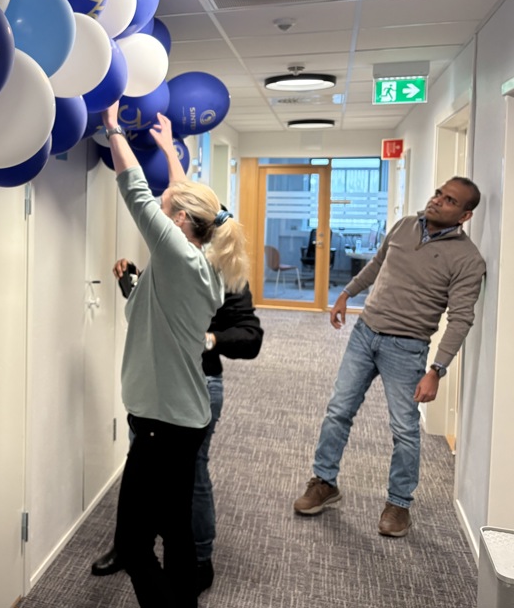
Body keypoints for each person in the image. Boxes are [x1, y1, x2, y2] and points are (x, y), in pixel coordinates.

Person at [99, 104, 250, 608]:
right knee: (176, 529)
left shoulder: (184, 257)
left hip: (164, 425)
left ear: (180, 222)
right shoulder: (205, 256)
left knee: (137, 547)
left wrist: (113, 127)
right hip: (178, 419)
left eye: (171, 209)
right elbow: (184, 206)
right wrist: (169, 149)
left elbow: (136, 191)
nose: (163, 210)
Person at [293, 178, 486, 537]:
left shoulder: (468, 259)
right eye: (438, 194)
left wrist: (437, 371)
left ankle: (399, 504)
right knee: (338, 410)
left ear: (465, 214)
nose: (437, 201)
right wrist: (346, 294)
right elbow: (377, 265)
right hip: (365, 334)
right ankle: (324, 482)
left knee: (404, 429)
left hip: (408, 347)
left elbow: (461, 318)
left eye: (449, 200)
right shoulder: (404, 226)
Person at [91, 261, 263, 595]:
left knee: (192, 473)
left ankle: (200, 559)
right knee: (140, 470)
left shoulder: (224, 270)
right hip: (154, 388)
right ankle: (129, 547)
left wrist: (209, 339)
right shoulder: (166, 258)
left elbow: (251, 336)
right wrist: (135, 284)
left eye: (172, 213)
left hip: (198, 386)